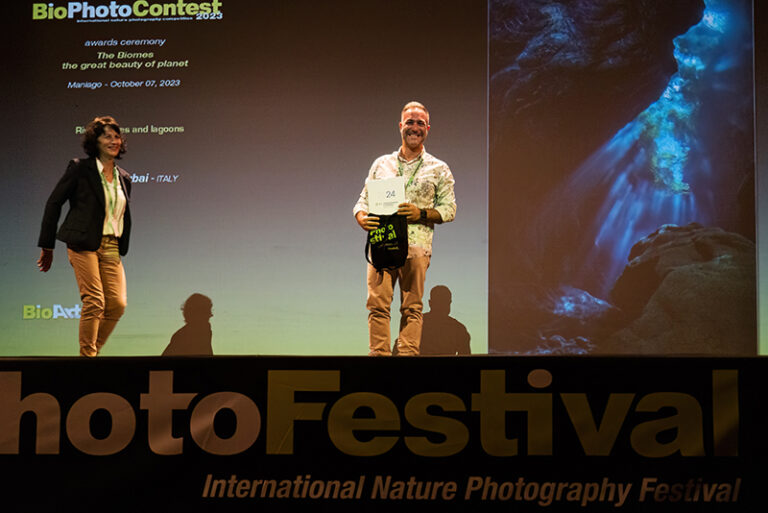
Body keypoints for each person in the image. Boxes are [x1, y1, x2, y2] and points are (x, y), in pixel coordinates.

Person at [354, 101, 456, 356]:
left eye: (420, 123)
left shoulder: (439, 168)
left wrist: (420, 213)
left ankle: (407, 360)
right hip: (382, 243)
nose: (414, 127)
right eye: (410, 122)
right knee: (377, 306)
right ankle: (379, 357)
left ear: (428, 129)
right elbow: (362, 200)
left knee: (412, 308)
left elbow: (449, 209)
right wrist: (361, 216)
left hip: (417, 246)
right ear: (400, 126)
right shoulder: (381, 164)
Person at [37, 116, 132, 357]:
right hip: (83, 243)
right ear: (95, 141)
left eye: (116, 136)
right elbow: (54, 202)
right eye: (106, 136)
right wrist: (47, 246)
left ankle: (89, 355)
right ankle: (88, 358)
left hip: (111, 244)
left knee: (118, 305)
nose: (113, 140)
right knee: (95, 301)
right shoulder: (80, 168)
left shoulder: (124, 177)